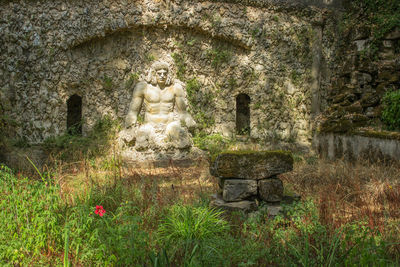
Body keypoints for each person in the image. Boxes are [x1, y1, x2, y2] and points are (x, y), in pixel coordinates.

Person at [124, 61, 196, 150]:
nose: (162, 76)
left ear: (168, 75)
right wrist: (129, 126)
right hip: (150, 125)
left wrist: (188, 120)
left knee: (182, 139)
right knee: (141, 141)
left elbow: (183, 112)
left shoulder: (175, 88)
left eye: (165, 73)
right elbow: (133, 112)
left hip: (170, 126)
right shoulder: (142, 87)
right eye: (159, 73)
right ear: (154, 74)